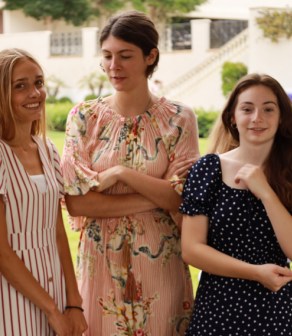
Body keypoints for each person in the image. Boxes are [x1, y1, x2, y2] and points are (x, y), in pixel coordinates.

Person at [61, 11, 200, 335]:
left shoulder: (179, 119)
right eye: (107, 56)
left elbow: (182, 200)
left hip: (161, 262)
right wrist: (158, 192)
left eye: (125, 56)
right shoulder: (83, 118)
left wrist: (122, 173)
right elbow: (78, 204)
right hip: (99, 262)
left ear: (151, 56)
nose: (114, 66)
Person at [180, 73, 292, 335]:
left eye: (268, 109)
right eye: (247, 109)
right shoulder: (208, 169)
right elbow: (191, 249)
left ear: (281, 118)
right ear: (232, 117)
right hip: (217, 311)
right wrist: (255, 272)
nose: (257, 118)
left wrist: (266, 193)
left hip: (274, 312)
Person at [0, 48, 87, 336]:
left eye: (38, 83)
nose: (35, 93)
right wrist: (51, 310)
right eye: (21, 86)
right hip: (13, 297)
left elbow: (56, 232)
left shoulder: (47, 149)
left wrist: (74, 302)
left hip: (55, 289)